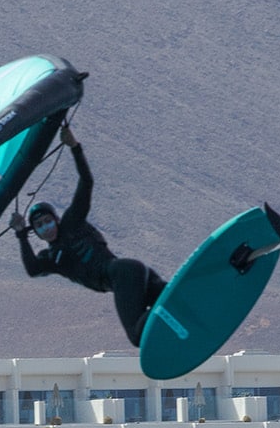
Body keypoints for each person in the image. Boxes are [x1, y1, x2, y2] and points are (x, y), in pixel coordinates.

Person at [11, 123, 165, 348]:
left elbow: (86, 182)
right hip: (135, 274)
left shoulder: (73, 222)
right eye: (40, 226)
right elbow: (32, 269)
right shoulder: (52, 258)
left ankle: (165, 312)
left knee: (136, 335)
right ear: (37, 233)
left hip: (122, 272)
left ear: (56, 219)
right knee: (168, 306)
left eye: (48, 221)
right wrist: (21, 235)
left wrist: (74, 147)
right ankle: (177, 311)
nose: (46, 227)